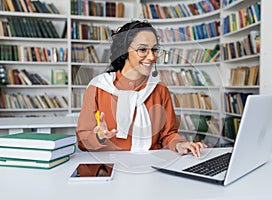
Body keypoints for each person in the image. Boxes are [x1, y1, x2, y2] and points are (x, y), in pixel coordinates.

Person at [76, 20, 207, 157]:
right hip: (109, 167)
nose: (151, 57)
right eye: (143, 49)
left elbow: (168, 135)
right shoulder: (98, 87)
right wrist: (99, 135)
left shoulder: (160, 90)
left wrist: (180, 144)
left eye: (154, 50)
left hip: (151, 165)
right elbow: (82, 141)